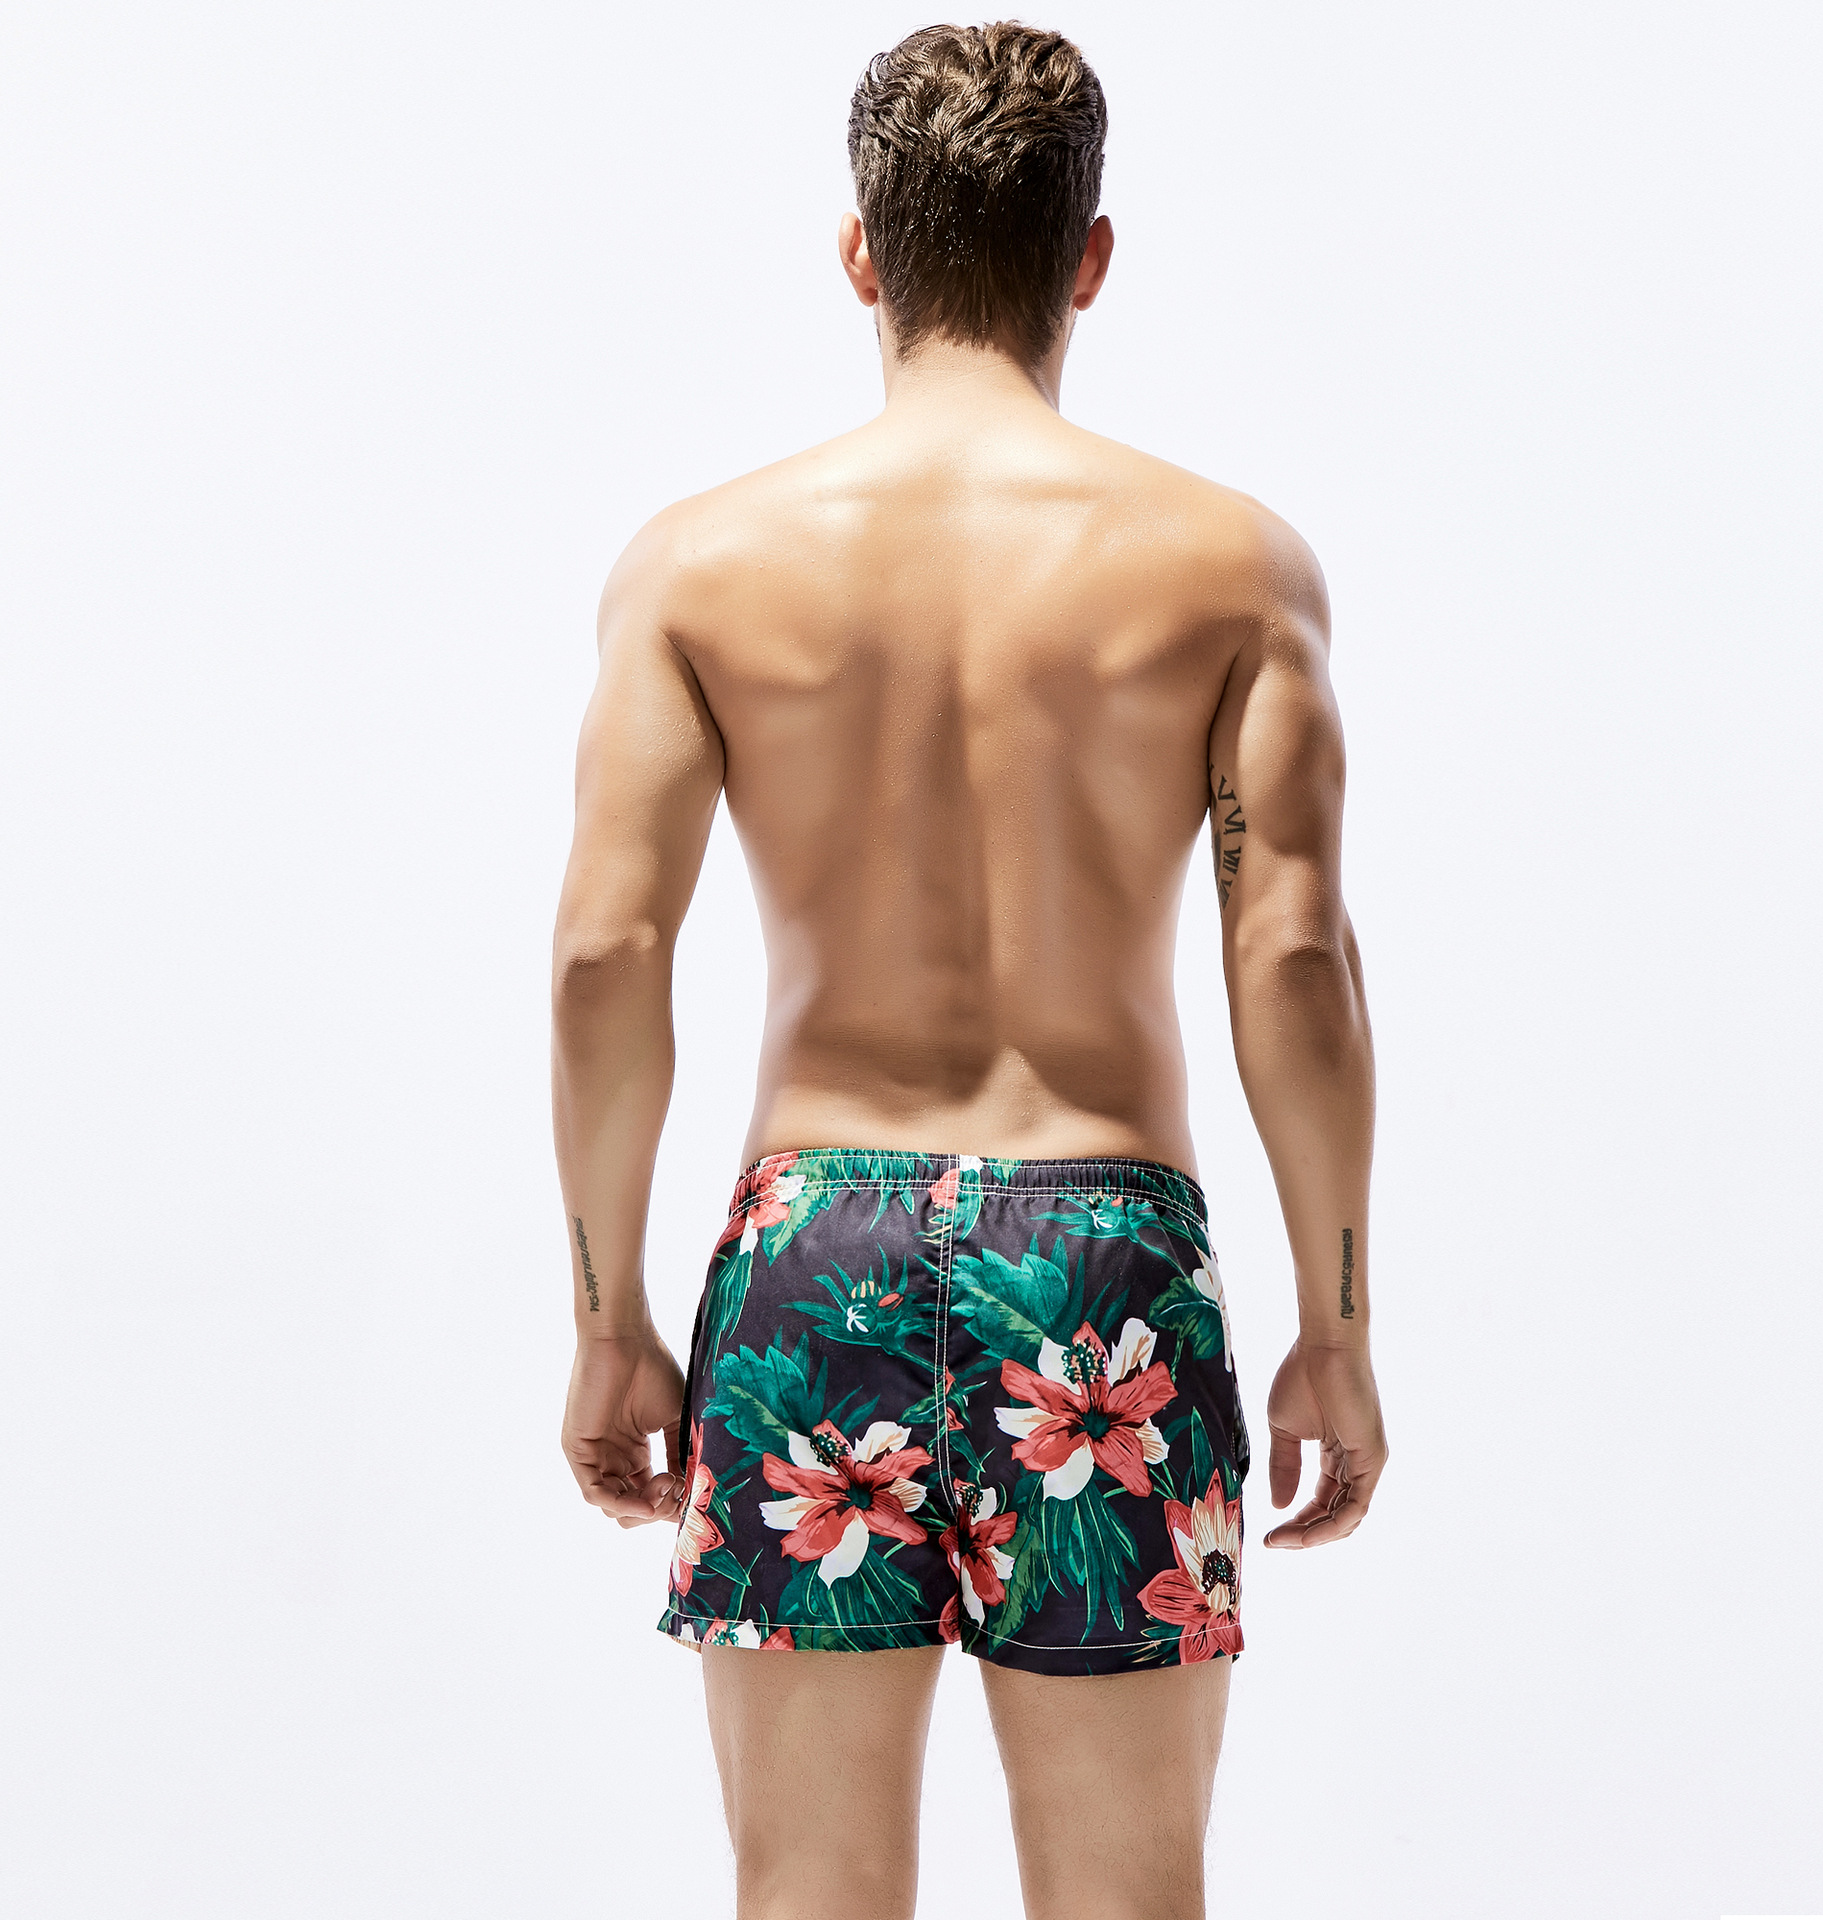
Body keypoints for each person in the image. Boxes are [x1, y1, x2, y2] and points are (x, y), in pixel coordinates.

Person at [549, 22, 1386, 1919]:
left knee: (809, 1889)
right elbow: (1294, 951)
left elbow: (607, 949)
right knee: (1127, 1893)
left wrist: (608, 1310)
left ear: (861, 251)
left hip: (811, 1262)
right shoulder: (1233, 570)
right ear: (1091, 256)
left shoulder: (698, 567)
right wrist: (1337, 1322)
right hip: (1105, 1269)